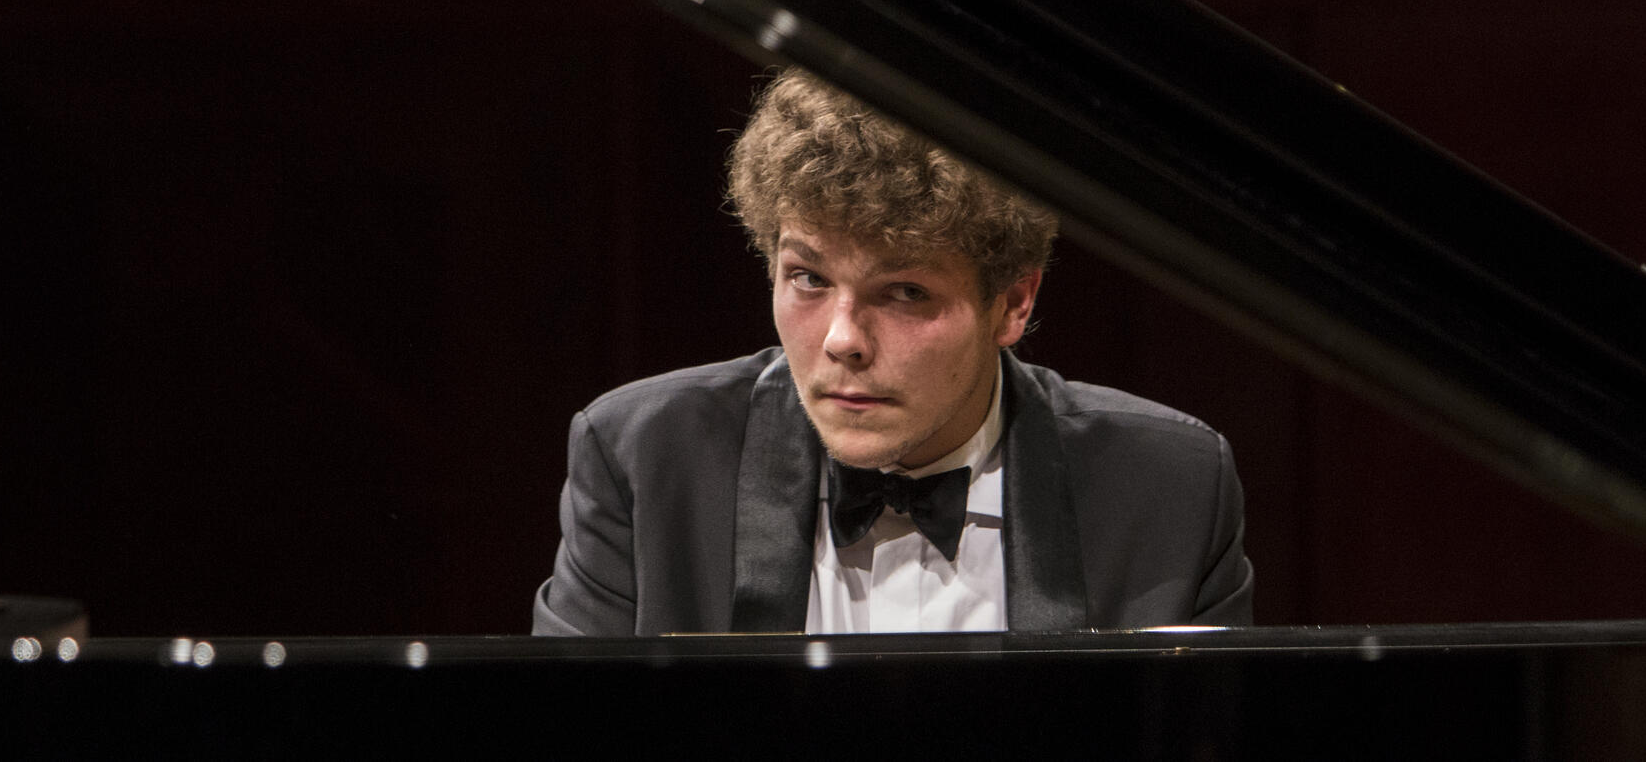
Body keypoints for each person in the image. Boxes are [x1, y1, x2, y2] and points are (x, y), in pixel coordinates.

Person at [531, 68, 1254, 635]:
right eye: (808, 278)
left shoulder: (1169, 488)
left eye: (905, 292)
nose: (842, 339)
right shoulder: (643, 457)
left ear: (1014, 302)